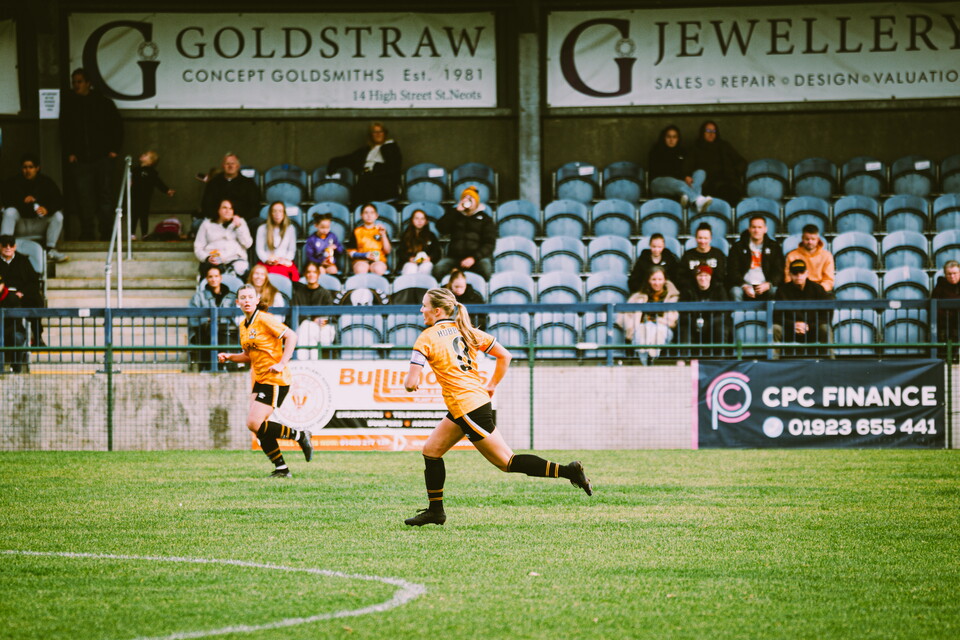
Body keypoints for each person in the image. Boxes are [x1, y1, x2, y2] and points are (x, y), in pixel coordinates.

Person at [402, 287, 592, 526]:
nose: (421, 310)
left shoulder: (427, 337)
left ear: (437, 310)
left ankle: (568, 471)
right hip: (471, 403)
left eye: (425, 306)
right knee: (431, 450)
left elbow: (410, 383)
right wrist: (491, 385)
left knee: (507, 462)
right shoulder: (467, 330)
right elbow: (505, 355)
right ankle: (435, 511)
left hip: (466, 406)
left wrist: (411, 383)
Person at [217, 284, 312, 478]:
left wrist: (282, 363)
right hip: (260, 379)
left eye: (250, 297)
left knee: (254, 423)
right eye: (243, 298)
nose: (247, 301)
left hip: (275, 378)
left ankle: (300, 435)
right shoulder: (243, 326)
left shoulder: (264, 319)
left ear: (257, 300)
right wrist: (230, 357)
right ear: (237, 302)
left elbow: (291, 336)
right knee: (258, 427)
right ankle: (281, 469)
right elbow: (248, 356)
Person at [59, 68, 123, 241]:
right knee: (84, 197)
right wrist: (70, 152)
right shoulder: (70, 105)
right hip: (81, 159)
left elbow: (117, 126)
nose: (76, 85)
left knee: (104, 195)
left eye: (79, 81)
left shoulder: (103, 103)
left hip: (103, 157)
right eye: (74, 82)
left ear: (88, 83)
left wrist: (114, 150)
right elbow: (64, 131)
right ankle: (87, 231)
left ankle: (106, 231)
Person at [1, 154, 69, 262]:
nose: (27, 170)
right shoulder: (13, 182)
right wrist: (22, 201)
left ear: (37, 168)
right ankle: (4, 248)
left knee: (58, 216)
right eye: (25, 167)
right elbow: (5, 201)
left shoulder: (46, 182)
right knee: (9, 212)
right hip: (21, 225)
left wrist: (47, 209)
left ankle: (50, 250)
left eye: (31, 167)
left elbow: (59, 201)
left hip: (38, 224)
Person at [617, 266, 680, 365]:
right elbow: (623, 316)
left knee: (657, 330)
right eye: (653, 279)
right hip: (641, 327)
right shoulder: (638, 296)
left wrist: (656, 321)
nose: (657, 283)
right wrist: (631, 327)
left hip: (663, 328)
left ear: (665, 280)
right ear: (648, 280)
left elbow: (673, 319)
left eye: (660, 279)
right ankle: (646, 362)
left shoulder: (672, 297)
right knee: (645, 329)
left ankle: (650, 359)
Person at [327, 121, 402, 205]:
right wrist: (333, 162)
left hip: (384, 183)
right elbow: (349, 159)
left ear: (385, 133)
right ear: (371, 135)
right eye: (374, 132)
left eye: (380, 131)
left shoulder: (391, 148)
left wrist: (374, 168)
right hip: (366, 180)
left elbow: (393, 168)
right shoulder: (366, 151)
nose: (378, 134)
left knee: (365, 186)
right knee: (359, 189)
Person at [434, 186, 497, 281]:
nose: (468, 201)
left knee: (485, 270)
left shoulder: (485, 219)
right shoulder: (455, 215)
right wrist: (455, 211)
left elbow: (489, 244)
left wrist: (473, 258)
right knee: (438, 269)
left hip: (477, 258)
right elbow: (441, 228)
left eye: (471, 199)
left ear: (476, 202)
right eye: (465, 198)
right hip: (455, 257)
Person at [683, 120, 746, 207]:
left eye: (714, 131)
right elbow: (687, 167)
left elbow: (741, 162)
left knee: (732, 192)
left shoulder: (724, 146)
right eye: (708, 131)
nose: (711, 134)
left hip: (728, 181)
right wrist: (687, 176)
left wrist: (734, 173)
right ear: (702, 132)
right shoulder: (695, 148)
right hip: (708, 185)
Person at [774, 259, 830, 356]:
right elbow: (776, 316)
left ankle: (830, 362)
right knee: (775, 328)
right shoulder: (782, 291)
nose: (799, 276)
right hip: (789, 329)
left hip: (813, 328)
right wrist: (793, 324)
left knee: (825, 329)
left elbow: (826, 314)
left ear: (807, 273)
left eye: (802, 272)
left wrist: (809, 325)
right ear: (790, 274)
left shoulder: (817, 289)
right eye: (795, 273)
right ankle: (772, 362)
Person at [648, 125, 710, 211]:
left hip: (680, 182)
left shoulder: (682, 152)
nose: (671, 140)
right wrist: (684, 177)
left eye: (674, 137)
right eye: (668, 137)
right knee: (677, 182)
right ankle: (697, 199)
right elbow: (664, 171)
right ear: (664, 138)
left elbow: (688, 168)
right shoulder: (656, 150)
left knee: (700, 172)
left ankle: (688, 197)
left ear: (678, 139)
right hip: (659, 182)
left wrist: (687, 176)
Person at [189, 265, 238, 371]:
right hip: (205, 333)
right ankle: (209, 367)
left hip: (227, 332)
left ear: (220, 278)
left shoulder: (232, 296)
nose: (213, 279)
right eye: (210, 277)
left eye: (216, 276)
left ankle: (230, 367)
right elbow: (193, 319)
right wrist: (206, 319)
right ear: (206, 279)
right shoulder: (198, 297)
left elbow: (237, 318)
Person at [0, 235, 45, 346]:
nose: (8, 247)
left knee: (36, 301)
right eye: (5, 245)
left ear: (15, 247)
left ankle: (37, 336)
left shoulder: (23, 260)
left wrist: (22, 292)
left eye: (11, 245)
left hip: (21, 294)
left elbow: (33, 281)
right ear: (0, 246)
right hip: (2, 295)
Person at [727, 216, 783, 301]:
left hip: (766, 285)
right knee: (735, 292)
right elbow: (732, 270)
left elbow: (778, 270)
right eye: (754, 227)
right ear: (749, 229)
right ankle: (738, 311)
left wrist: (768, 284)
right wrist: (744, 285)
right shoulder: (738, 246)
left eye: (759, 227)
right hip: (744, 285)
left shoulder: (774, 246)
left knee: (775, 291)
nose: (756, 230)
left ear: (765, 229)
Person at [194, 199, 253, 278]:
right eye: (224, 208)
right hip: (215, 259)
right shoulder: (207, 224)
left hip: (235, 258)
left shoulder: (240, 222)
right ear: (218, 210)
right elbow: (198, 247)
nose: (228, 211)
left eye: (230, 208)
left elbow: (247, 244)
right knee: (213, 273)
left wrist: (239, 226)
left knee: (241, 269)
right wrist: (207, 258)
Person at [200, 153, 261, 228]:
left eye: (233, 163)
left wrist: (240, 219)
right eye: (227, 164)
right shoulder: (213, 183)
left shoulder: (248, 183)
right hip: (217, 221)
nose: (230, 166)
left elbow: (254, 206)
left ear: (238, 166)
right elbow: (206, 205)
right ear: (223, 166)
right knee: (197, 224)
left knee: (259, 223)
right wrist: (219, 218)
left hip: (243, 221)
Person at [679, 264, 730, 355]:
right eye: (700, 275)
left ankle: (719, 359)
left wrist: (709, 323)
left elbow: (724, 312)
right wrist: (693, 322)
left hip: (713, 324)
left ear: (710, 277)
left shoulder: (719, 289)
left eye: (706, 275)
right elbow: (682, 312)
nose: (703, 278)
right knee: (684, 329)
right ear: (696, 277)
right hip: (693, 325)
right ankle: (683, 360)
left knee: (721, 328)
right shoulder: (688, 289)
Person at [292, 262, 335, 360]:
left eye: (314, 272)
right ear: (305, 275)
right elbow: (295, 315)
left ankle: (302, 362)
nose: (311, 275)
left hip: (324, 330)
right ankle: (313, 362)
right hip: (304, 329)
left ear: (318, 274)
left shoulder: (325, 293)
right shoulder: (299, 293)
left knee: (309, 327)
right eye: (308, 272)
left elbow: (331, 315)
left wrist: (323, 320)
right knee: (308, 327)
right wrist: (313, 320)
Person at [131, 150, 174, 241]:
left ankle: (144, 234)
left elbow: (158, 183)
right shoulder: (135, 170)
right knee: (134, 214)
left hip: (145, 197)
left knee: (144, 215)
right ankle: (132, 233)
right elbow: (130, 179)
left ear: (150, 161)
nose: (143, 155)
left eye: (146, 155)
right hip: (134, 195)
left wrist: (167, 190)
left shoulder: (152, 172)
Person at [784, 224, 835, 294]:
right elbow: (788, 278)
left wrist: (816, 290)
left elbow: (828, 280)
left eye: (813, 239)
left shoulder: (827, 256)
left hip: (819, 290)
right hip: (797, 290)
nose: (810, 242)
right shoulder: (792, 255)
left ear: (818, 239)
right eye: (807, 239)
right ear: (802, 238)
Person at [255, 202, 299, 281]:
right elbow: (260, 250)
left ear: (284, 214)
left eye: (280, 211)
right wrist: (267, 260)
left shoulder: (290, 228)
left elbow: (291, 250)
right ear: (270, 214)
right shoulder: (262, 228)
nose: (277, 214)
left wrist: (284, 260)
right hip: (267, 262)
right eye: (274, 211)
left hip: (284, 262)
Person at [678, 223, 726, 292]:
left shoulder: (718, 254)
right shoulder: (688, 255)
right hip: (692, 290)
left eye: (705, 238)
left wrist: (706, 284)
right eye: (700, 238)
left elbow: (721, 276)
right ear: (696, 238)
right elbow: (681, 276)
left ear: (710, 239)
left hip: (713, 290)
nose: (703, 241)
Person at [347, 203, 391, 275]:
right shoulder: (357, 231)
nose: (369, 215)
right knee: (360, 269)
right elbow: (350, 253)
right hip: (361, 260)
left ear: (376, 216)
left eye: (372, 213)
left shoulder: (381, 230)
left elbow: (387, 251)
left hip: (378, 260)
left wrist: (383, 235)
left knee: (378, 268)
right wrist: (365, 255)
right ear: (361, 215)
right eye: (366, 213)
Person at [397, 209, 441, 275]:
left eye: (422, 219)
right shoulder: (406, 235)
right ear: (412, 220)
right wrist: (409, 259)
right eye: (416, 218)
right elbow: (400, 252)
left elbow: (437, 252)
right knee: (411, 267)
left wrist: (429, 258)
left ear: (426, 221)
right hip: (410, 263)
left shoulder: (431, 235)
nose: (419, 221)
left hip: (425, 262)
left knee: (427, 266)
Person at [0, 272, 27, 372]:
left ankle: (16, 369)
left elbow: (17, 322)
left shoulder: (12, 298)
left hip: (12, 331)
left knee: (17, 337)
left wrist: (2, 334)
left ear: (3, 285)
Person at [932, 260, 960, 356]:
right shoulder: (941, 285)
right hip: (945, 320)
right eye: (949, 274)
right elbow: (934, 302)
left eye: (955, 273)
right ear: (945, 274)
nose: (952, 276)